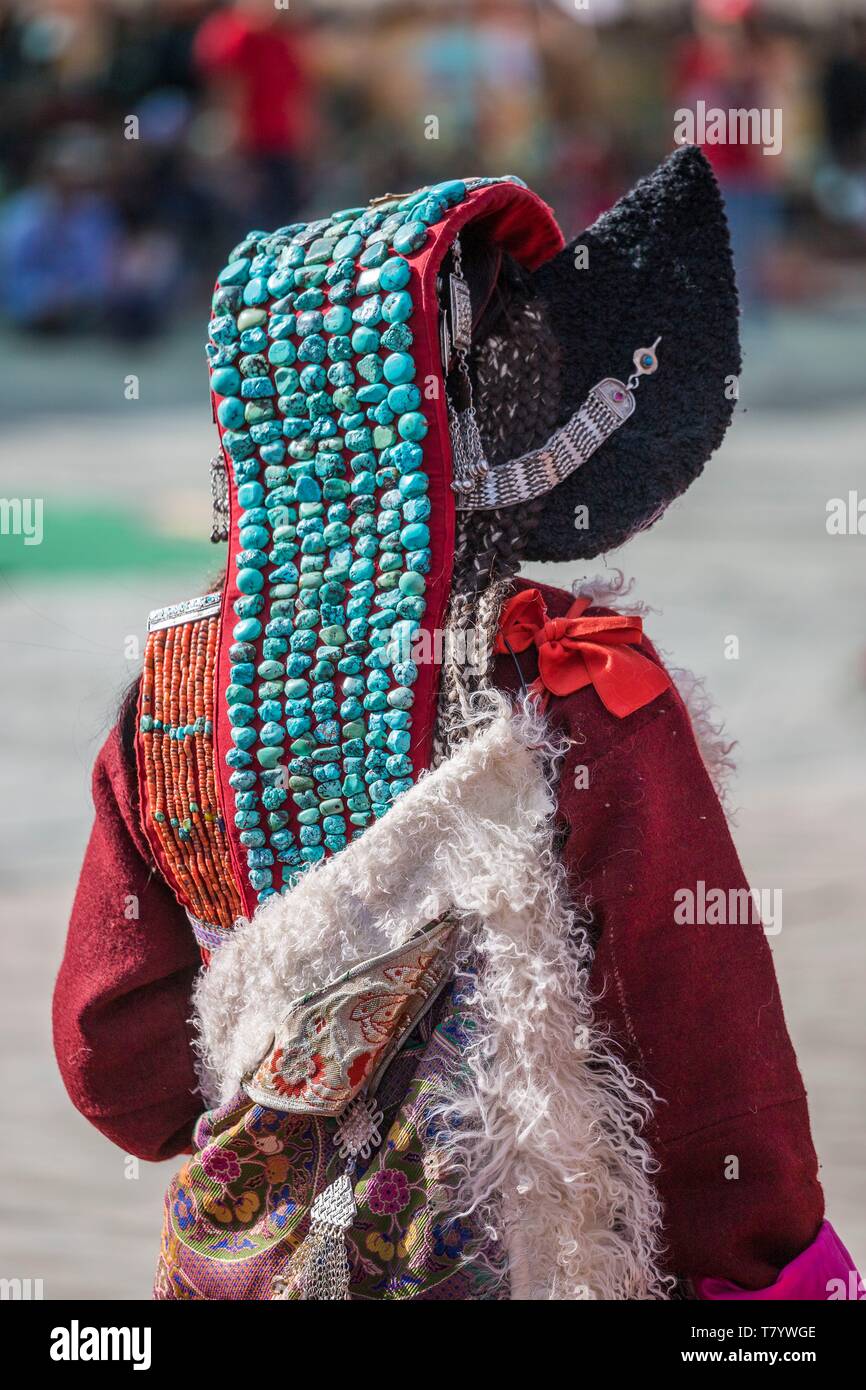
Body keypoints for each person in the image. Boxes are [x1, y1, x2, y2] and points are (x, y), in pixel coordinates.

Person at [54, 150, 860, 1300]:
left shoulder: (169, 701)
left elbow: (113, 1055)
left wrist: (298, 1113)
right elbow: (702, 1043)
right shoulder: (571, 685)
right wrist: (764, 1275)